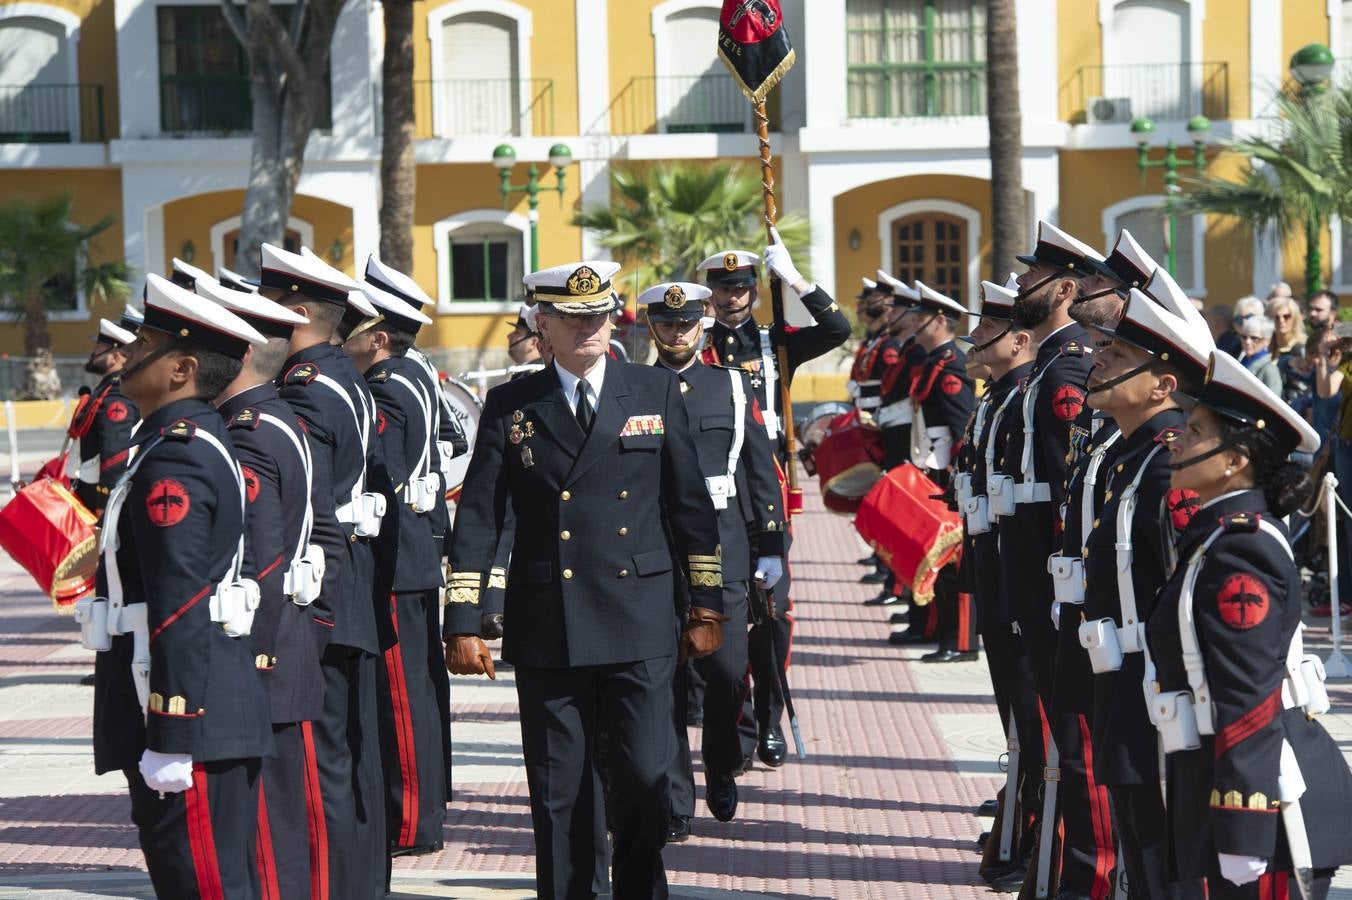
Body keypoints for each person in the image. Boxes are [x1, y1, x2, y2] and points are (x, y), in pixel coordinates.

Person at [443, 261, 725, 900]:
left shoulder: (651, 392)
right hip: (551, 620)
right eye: (572, 318)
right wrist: (461, 618)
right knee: (559, 786)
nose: (589, 327)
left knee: (644, 776)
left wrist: (707, 603)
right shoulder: (512, 403)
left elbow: (690, 508)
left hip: (641, 615)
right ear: (542, 323)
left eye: (598, 314)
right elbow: (481, 517)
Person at [84, 273, 273, 898]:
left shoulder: (178, 454)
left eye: (144, 346)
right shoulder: (171, 442)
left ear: (181, 368)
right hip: (201, 705)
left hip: (192, 715)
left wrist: (171, 731)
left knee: (204, 884)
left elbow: (180, 599)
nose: (127, 356)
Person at [1149, 349, 1352, 896]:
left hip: (1264, 802)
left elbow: (1249, 697)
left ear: (1236, 459)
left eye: (1193, 430)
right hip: (1219, 781)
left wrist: (1244, 822)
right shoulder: (1216, 535)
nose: (1176, 438)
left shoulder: (1241, 548)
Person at [993, 220, 1121, 894]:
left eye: (1029, 275)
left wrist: (1053, 580)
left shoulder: (1069, 365)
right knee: (1060, 744)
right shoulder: (1050, 364)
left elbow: (1067, 490)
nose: (1017, 284)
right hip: (1034, 575)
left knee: (1077, 747)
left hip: (1053, 579)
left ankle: (1086, 874)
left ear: (1064, 288)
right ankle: (1060, 862)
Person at [262, 243, 389, 899]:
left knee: (323, 765)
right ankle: (360, 882)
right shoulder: (341, 374)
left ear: (299, 311)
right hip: (349, 583)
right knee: (346, 757)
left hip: (325, 593)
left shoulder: (306, 391)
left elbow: (298, 500)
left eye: (268, 310)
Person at [696, 234, 850, 769]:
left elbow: (838, 329)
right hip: (714, 487)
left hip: (767, 490)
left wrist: (799, 281)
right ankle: (735, 729)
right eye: (722, 287)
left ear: (755, 291)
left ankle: (769, 720)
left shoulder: (776, 342)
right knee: (725, 609)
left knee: (775, 611)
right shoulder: (695, 341)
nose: (732, 296)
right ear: (710, 293)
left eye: (741, 287)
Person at [1080, 285, 1214, 899]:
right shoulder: (1131, 454)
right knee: (1138, 836)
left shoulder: (1163, 463)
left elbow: (1180, 590)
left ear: (1161, 385)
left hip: (1153, 684)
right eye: (1103, 347)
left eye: (1117, 353)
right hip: (1122, 675)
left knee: (1161, 846)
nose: (1099, 361)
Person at [640, 280, 784, 839]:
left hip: (723, 544)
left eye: (686, 322)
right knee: (665, 680)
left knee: (725, 673)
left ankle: (721, 761)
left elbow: (758, 466)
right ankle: (676, 796)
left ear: (702, 324)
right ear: (652, 325)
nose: (677, 331)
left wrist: (770, 541)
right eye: (667, 322)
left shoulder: (729, 385)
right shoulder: (635, 385)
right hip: (658, 546)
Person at [199, 277, 328, 899]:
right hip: (288, 642)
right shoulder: (275, 414)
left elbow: (262, 556)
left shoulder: (247, 429)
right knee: (283, 824)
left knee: (269, 837)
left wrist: (254, 653)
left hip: (265, 651)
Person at [959, 278, 1046, 885]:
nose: (974, 339)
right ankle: (1020, 818)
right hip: (994, 563)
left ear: (1018, 341)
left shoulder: (1030, 395)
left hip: (1024, 576)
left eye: (986, 332)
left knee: (1032, 718)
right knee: (1015, 717)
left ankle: (1033, 832)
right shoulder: (999, 397)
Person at [907, 281, 976, 663]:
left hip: (944, 473)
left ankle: (960, 641)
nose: (914, 324)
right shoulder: (933, 361)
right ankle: (938, 630)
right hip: (928, 466)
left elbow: (962, 425)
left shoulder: (951, 365)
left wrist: (955, 475)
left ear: (939, 321)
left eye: (920, 318)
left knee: (951, 560)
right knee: (934, 556)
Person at [69, 315, 139, 518]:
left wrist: (105, 500)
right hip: (87, 488)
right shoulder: (107, 387)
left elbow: (114, 453)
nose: (93, 353)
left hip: (97, 496)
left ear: (116, 357)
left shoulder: (117, 394)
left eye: (100, 349)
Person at [1238, 315, 1283, 395]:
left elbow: (1273, 402)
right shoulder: (1242, 360)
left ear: (1267, 341)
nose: (1247, 342)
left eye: (1254, 338)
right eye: (1244, 337)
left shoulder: (1270, 370)